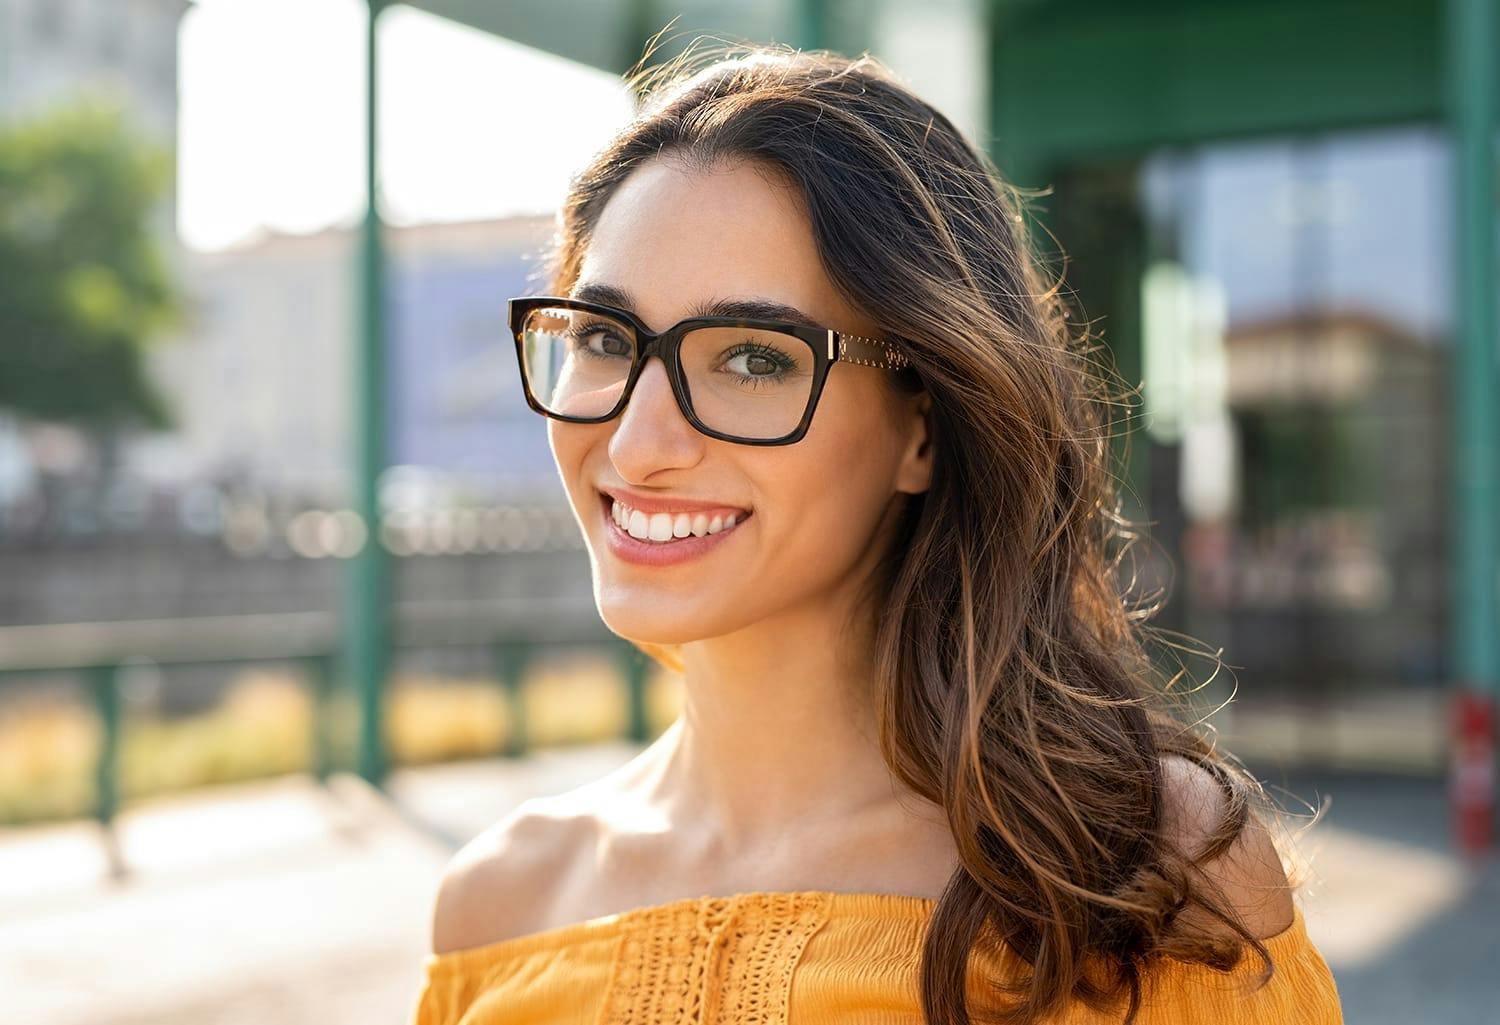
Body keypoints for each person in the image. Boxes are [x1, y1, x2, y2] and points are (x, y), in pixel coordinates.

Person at [407, 41, 1344, 1025]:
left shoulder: (1144, 881)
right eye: (603, 339)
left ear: (923, 427)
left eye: (753, 360)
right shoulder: (494, 912)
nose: (637, 444)